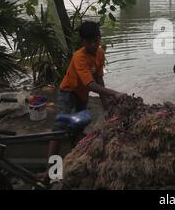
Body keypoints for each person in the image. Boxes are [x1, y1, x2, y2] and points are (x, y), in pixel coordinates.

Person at [43, 21, 127, 182]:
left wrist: (106, 107)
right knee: (58, 129)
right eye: (90, 42)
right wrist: (115, 93)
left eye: (97, 40)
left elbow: (99, 79)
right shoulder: (79, 57)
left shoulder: (100, 53)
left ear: (99, 38)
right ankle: (50, 171)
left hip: (83, 94)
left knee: (79, 127)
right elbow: (91, 84)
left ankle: (76, 161)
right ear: (83, 42)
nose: (94, 45)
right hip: (69, 91)